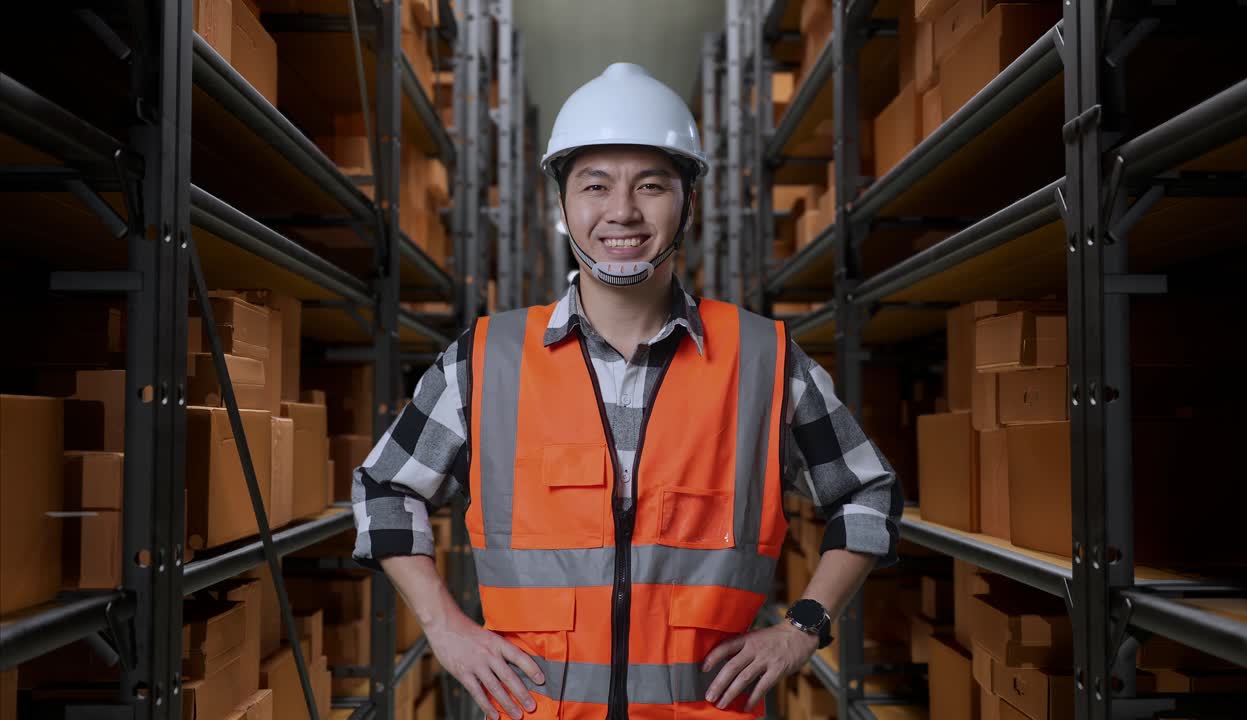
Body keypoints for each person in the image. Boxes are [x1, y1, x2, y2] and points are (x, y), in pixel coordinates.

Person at [352, 62, 902, 720]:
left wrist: (804, 627)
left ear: (688, 201)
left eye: (651, 185)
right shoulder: (485, 360)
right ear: (562, 203)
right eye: (595, 185)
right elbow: (385, 488)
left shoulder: (764, 360)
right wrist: (444, 627)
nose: (622, 212)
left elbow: (869, 491)